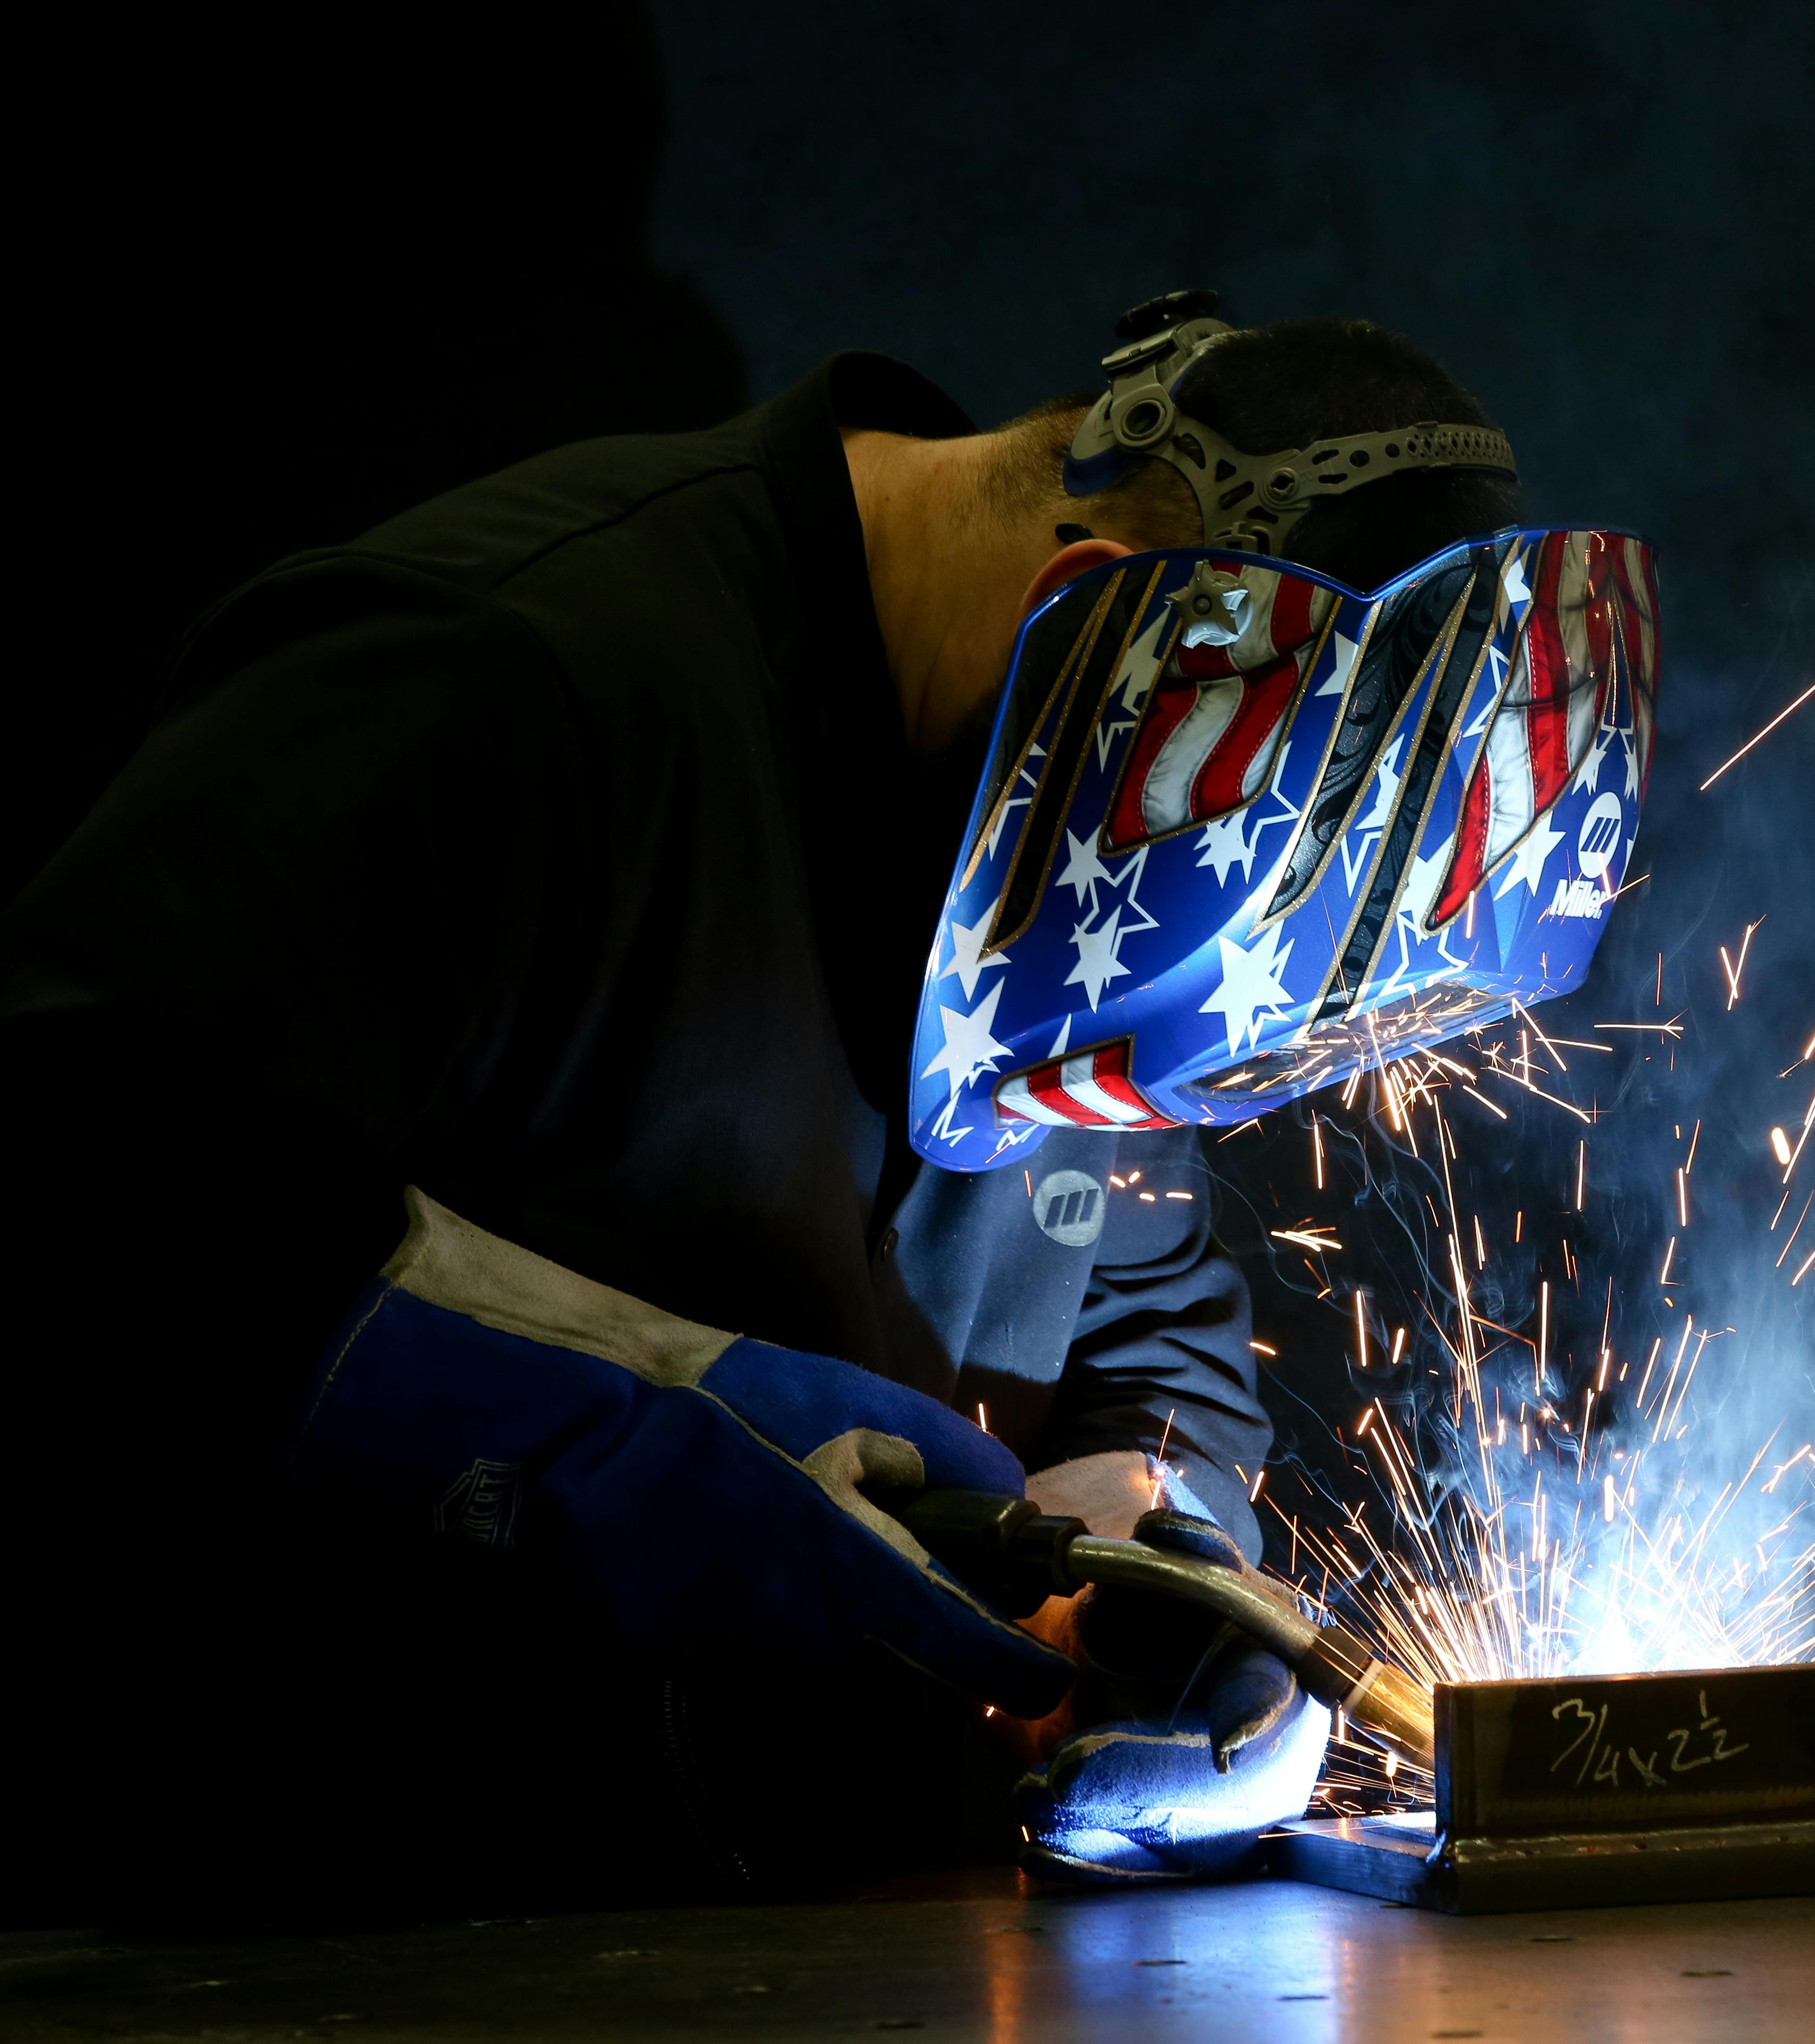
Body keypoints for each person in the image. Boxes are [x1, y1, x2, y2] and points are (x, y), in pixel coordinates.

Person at [0, 293, 1660, 1916]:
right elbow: (77, 1195)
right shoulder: (501, 681)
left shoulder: (1131, 848)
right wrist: (601, 1433)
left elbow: (1148, 1307)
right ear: (1100, 642)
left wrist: (1157, 1550)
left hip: (824, 1965)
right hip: (298, 1942)